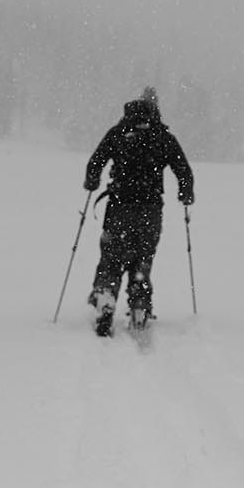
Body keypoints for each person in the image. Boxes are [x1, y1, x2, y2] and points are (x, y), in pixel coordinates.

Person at [82, 88, 194, 337]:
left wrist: (92, 181)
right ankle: (140, 304)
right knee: (143, 257)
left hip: (119, 207)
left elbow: (96, 161)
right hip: (150, 210)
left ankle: (105, 297)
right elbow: (183, 170)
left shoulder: (119, 132)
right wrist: (186, 194)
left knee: (111, 257)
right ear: (156, 109)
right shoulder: (163, 137)